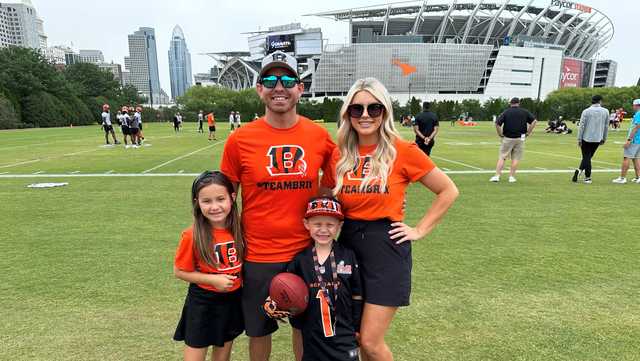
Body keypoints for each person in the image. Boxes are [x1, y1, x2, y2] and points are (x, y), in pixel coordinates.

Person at [322, 77, 459, 361]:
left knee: (371, 341)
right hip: (347, 247)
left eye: (374, 108)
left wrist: (419, 230)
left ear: (385, 112)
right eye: (356, 109)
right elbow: (324, 201)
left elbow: (448, 190)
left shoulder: (403, 150)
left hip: (386, 249)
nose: (365, 115)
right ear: (347, 113)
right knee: (356, 336)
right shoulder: (340, 154)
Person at [220, 50, 336, 361]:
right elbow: (226, 197)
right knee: (258, 331)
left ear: (301, 88)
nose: (279, 87)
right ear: (260, 89)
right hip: (258, 254)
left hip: (306, 253)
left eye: (287, 80)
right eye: (270, 80)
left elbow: (331, 185)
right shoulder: (240, 139)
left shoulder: (319, 136)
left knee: (306, 329)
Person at [276, 197, 363, 361]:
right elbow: (288, 295)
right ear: (306, 224)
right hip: (312, 334)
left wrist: (357, 326)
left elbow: (357, 294)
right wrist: (278, 304)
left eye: (330, 225)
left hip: (344, 333)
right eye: (317, 224)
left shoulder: (348, 255)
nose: (323, 230)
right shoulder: (299, 260)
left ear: (339, 226)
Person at [173, 171, 245, 361]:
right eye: (207, 201)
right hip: (203, 302)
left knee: (222, 355)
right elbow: (179, 271)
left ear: (232, 197)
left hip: (232, 300)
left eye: (220, 199)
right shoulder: (192, 235)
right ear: (197, 202)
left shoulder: (240, 227)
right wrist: (212, 279)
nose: (215, 207)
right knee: (195, 355)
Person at [489, 97, 537, 183]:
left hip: (508, 137)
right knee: (516, 158)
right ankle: (511, 177)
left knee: (502, 157)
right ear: (518, 103)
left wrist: (500, 134)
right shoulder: (524, 112)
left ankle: (497, 176)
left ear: (510, 103)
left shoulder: (506, 112)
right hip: (520, 138)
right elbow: (534, 121)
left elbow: (497, 123)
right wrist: (528, 132)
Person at [572, 95, 609, 184]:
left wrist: (579, 138)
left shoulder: (586, 111)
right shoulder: (605, 111)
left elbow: (582, 126)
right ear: (600, 101)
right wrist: (604, 137)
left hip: (586, 137)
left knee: (586, 157)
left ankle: (584, 175)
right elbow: (606, 126)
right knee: (588, 157)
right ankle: (583, 173)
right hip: (598, 138)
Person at [612, 99, 640, 184]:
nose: (633, 107)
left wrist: (629, 140)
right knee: (636, 158)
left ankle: (622, 178)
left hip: (634, 139)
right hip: (638, 140)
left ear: (637, 105)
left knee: (626, 157)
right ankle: (638, 177)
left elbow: (636, 127)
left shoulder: (638, 114)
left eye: (633, 105)